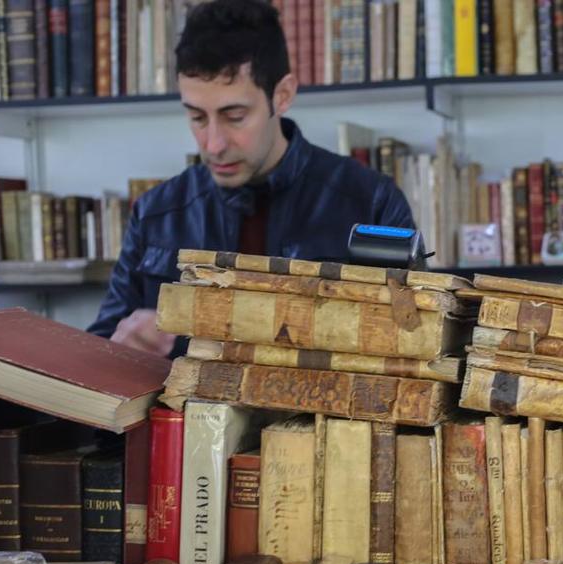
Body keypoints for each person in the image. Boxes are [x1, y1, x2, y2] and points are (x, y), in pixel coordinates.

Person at [88, 0, 414, 356]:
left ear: (283, 95)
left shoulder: (371, 202)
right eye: (197, 117)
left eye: (235, 116)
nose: (213, 144)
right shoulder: (154, 213)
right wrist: (120, 349)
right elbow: (96, 358)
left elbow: (413, 336)